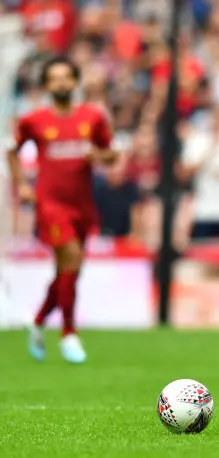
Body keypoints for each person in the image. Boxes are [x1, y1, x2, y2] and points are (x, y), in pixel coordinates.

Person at [6, 56, 116, 364]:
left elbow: (109, 155)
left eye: (66, 77)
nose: (61, 83)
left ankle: (38, 319)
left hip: (82, 205)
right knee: (72, 259)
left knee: (69, 270)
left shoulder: (92, 118)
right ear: (46, 85)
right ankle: (68, 333)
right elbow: (12, 151)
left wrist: (101, 156)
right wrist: (22, 186)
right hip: (51, 204)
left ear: (75, 81)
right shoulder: (34, 120)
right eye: (54, 78)